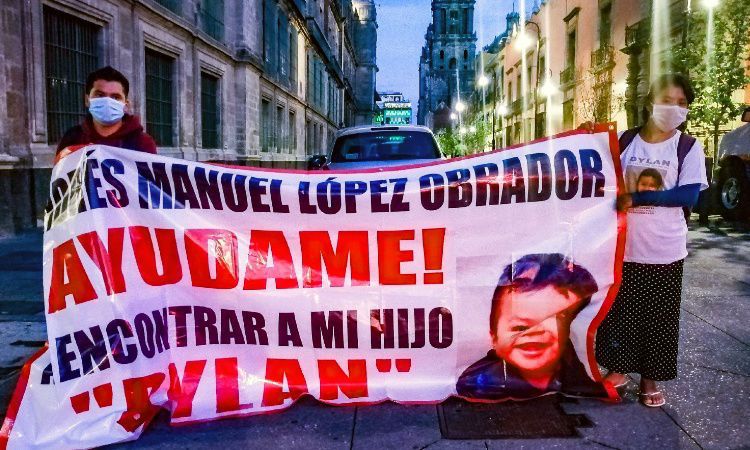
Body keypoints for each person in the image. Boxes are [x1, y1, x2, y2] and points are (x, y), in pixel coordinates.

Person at [594, 74, 708, 408]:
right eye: (667, 100)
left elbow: (689, 195)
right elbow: (598, 174)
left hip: (664, 249)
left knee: (659, 318)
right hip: (622, 247)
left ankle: (649, 378)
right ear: (650, 102)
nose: (675, 108)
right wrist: (588, 136)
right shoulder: (626, 141)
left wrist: (640, 199)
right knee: (620, 312)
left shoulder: (687, 147)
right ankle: (618, 369)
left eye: (682, 103)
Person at [456, 253, 608, 400]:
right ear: (494, 338)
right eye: (520, 328)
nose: (534, 333)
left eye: (549, 320)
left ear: (569, 331)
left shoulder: (583, 377)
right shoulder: (477, 382)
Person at [56, 66, 157, 157]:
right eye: (99, 95)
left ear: (126, 105)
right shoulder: (72, 139)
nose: (107, 101)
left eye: (115, 97)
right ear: (87, 100)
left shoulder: (143, 143)